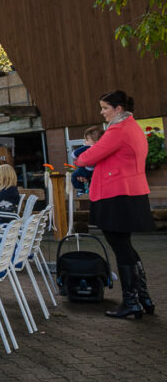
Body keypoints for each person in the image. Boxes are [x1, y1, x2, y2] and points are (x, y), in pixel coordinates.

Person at [75, 90, 156, 319]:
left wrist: (80, 158)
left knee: (121, 248)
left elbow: (88, 157)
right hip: (130, 192)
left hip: (117, 194)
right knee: (125, 246)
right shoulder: (133, 127)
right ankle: (143, 298)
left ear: (118, 108)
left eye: (105, 108)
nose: (102, 113)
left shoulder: (118, 130)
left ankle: (132, 302)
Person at [71, 126, 104, 193]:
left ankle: (80, 189)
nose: (84, 142)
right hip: (94, 171)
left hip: (85, 169)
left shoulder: (87, 147)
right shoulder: (102, 149)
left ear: (96, 141)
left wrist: (76, 158)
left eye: (87, 140)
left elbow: (74, 154)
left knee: (74, 176)